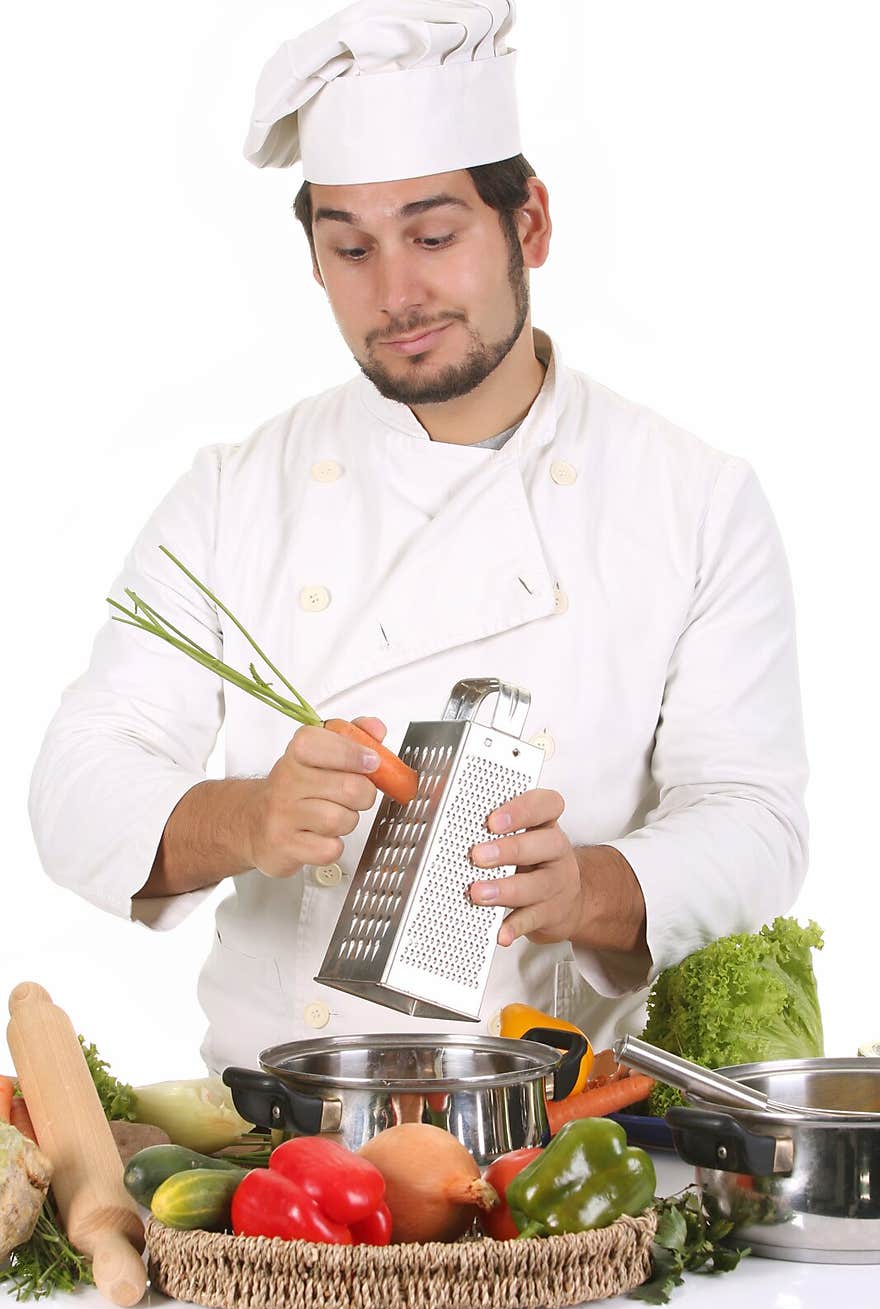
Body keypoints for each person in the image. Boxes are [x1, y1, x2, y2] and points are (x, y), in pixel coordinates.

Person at [28, 0, 808, 1075]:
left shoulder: (691, 499)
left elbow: (755, 817)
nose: (395, 294)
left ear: (527, 223)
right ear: (311, 260)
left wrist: (591, 886)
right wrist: (245, 818)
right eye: (350, 248)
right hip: (274, 1144)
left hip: (549, 1141)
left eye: (434, 237)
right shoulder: (233, 493)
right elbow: (76, 783)